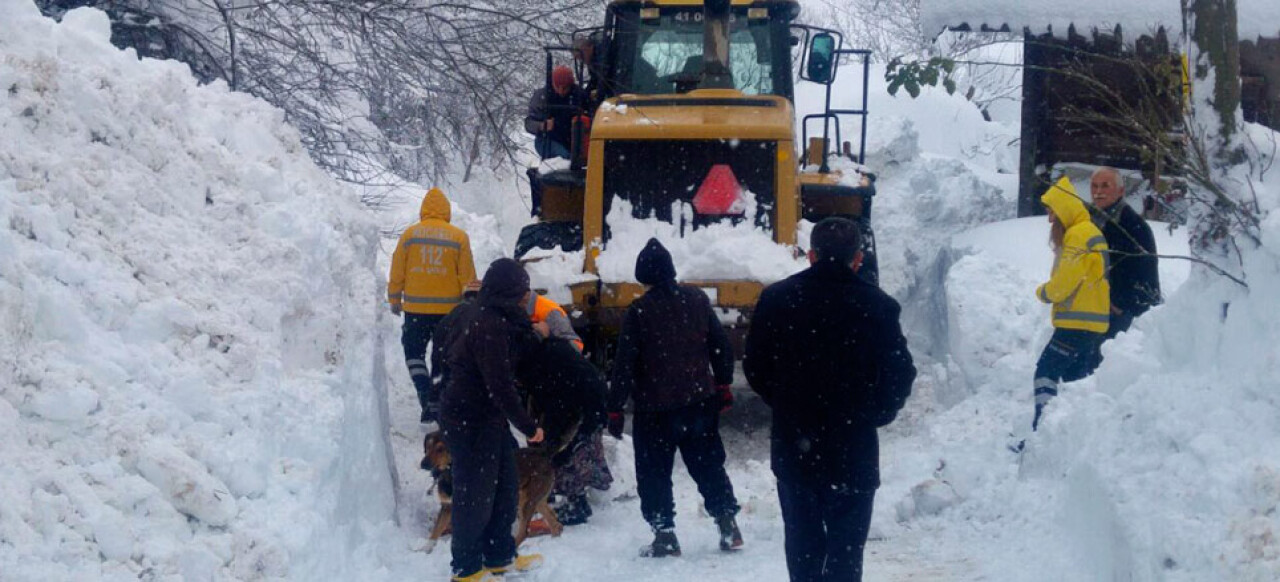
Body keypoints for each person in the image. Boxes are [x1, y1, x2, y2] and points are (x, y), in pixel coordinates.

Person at [743, 217, 915, 582]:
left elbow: (756, 368)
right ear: (858, 258)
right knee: (846, 555)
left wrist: (787, 401)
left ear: (811, 255)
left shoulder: (777, 299)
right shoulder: (879, 306)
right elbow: (900, 375)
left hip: (795, 448)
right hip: (853, 450)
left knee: (802, 548)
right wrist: (875, 414)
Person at [607, 238, 741, 558]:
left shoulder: (638, 312)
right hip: (699, 401)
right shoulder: (696, 299)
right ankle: (727, 525)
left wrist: (615, 408)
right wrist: (722, 384)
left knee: (654, 473)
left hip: (656, 409)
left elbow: (624, 364)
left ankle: (664, 535)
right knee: (709, 465)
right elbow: (721, 346)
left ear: (644, 276)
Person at [438, 258, 546, 582]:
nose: (526, 297)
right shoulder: (487, 325)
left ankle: (499, 556)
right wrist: (529, 426)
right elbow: (499, 385)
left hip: (489, 417)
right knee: (475, 494)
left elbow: (518, 350)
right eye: (522, 291)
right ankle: (467, 568)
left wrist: (535, 334)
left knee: (505, 488)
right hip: (468, 419)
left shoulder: (500, 318)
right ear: (508, 291)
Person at [387, 187, 477, 424]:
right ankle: (439, 399)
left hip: (416, 311)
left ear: (423, 211)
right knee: (445, 358)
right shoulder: (459, 237)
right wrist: (471, 304)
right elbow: (467, 276)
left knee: (414, 353)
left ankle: (426, 394)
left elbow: (397, 271)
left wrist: (395, 299)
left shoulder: (410, 236)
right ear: (447, 211)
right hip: (448, 313)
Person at [1032, 177, 1111, 431]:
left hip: (1078, 322)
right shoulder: (1088, 231)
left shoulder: (1079, 234)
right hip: (1090, 323)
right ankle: (1071, 437)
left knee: (1046, 372)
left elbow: (1066, 279)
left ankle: (1040, 433)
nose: (1049, 220)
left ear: (1064, 209)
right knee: (1077, 381)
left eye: (1052, 212)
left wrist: (1045, 292)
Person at [1088, 167, 1161, 339]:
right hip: (1088, 305)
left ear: (1120, 191)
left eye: (1105, 186)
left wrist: (1119, 304)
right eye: (1094, 186)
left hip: (1118, 311)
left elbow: (1146, 269)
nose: (1098, 192)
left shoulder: (1133, 225)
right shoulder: (1086, 218)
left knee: (1108, 361)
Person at [525, 65, 589, 161]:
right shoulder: (542, 96)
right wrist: (542, 125)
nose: (561, 91)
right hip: (548, 140)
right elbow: (529, 123)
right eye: (557, 86)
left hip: (573, 141)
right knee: (565, 157)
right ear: (552, 83)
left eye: (565, 88)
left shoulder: (580, 95)